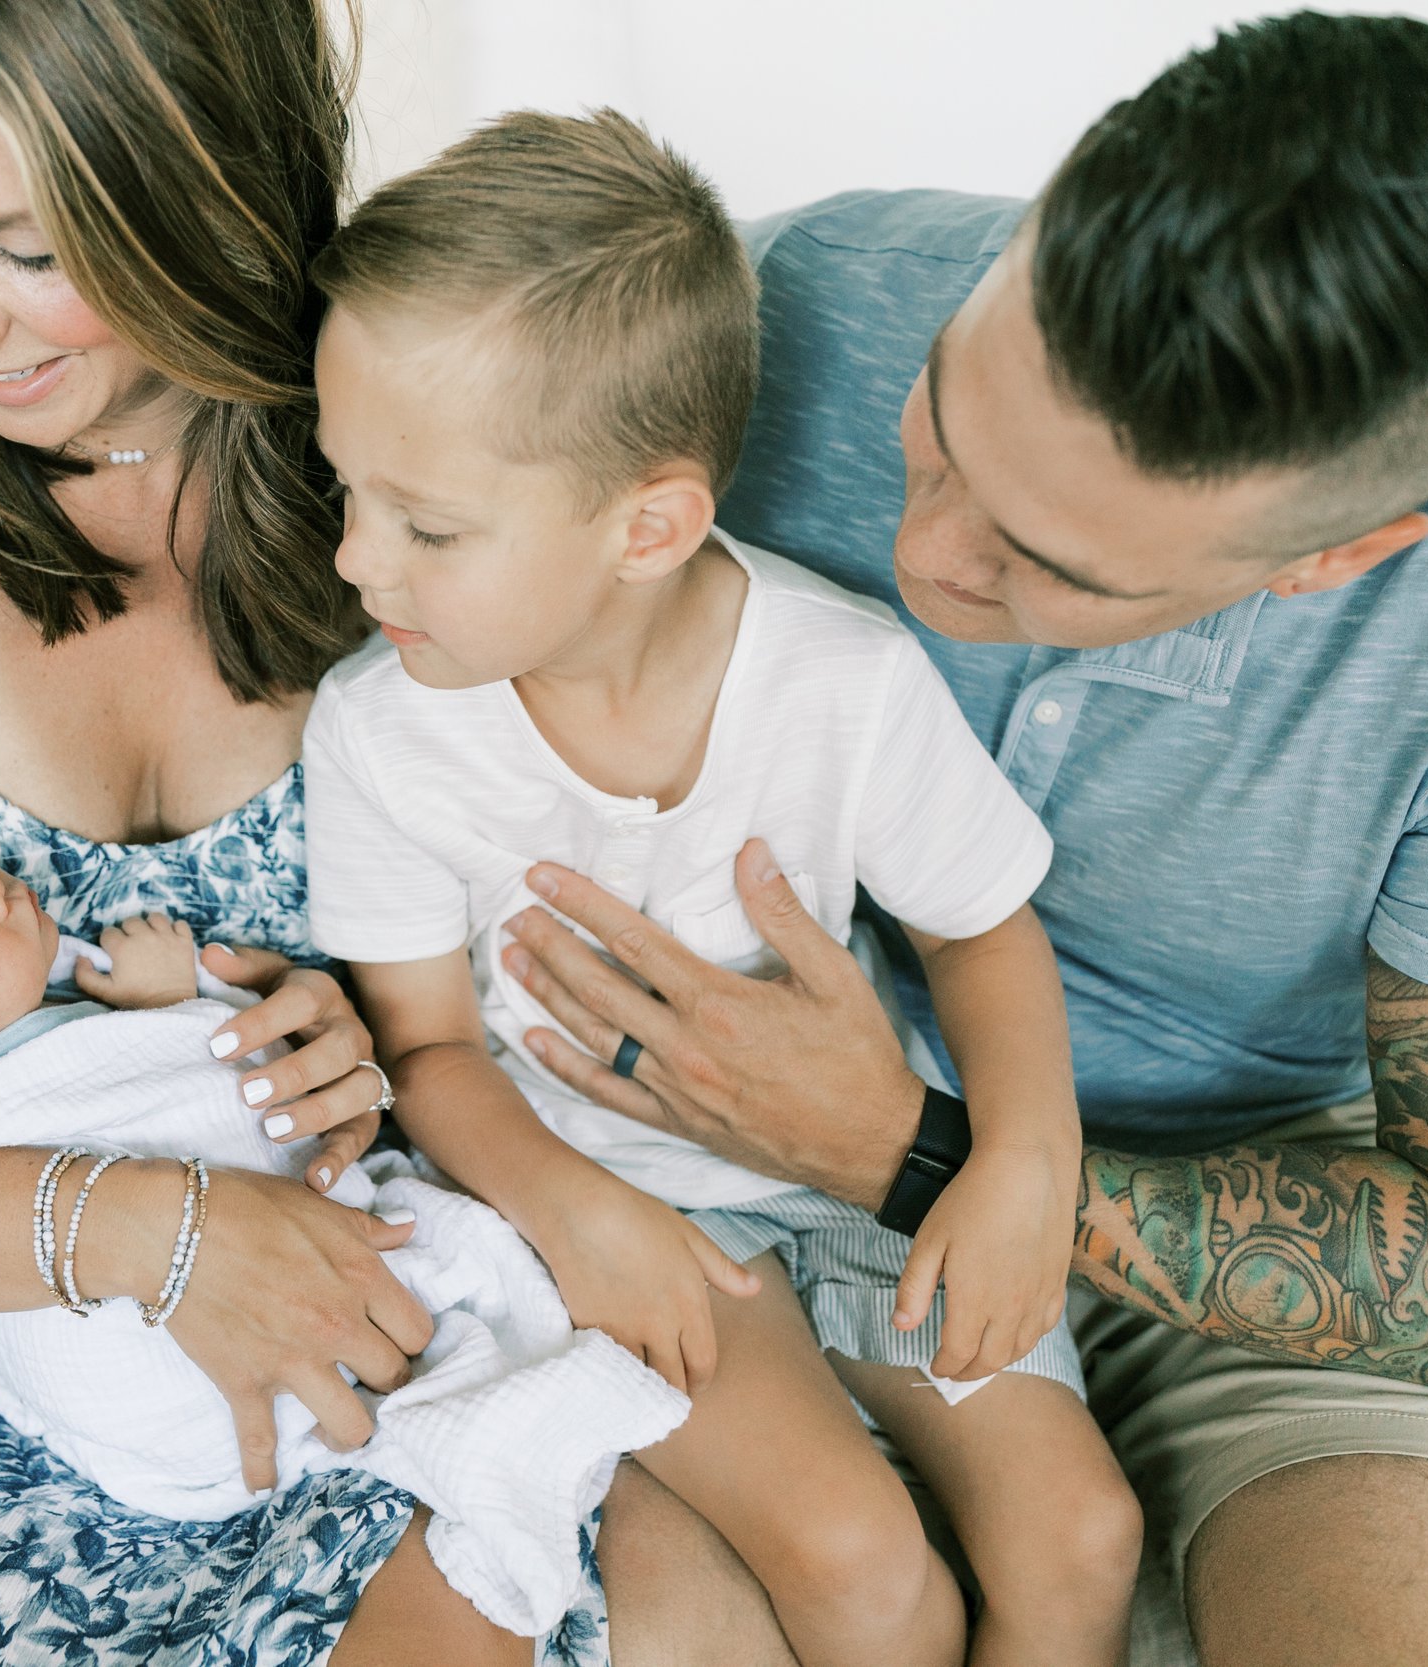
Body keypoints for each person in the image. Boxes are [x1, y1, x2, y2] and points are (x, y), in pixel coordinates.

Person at [492, 15, 1428, 1666]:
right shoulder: (785, 295)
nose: (927, 555)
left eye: (1063, 570)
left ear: (1336, 556)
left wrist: (921, 1148)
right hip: (707, 1152)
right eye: (941, 420)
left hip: (1246, 1203)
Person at [0, 3, 702, 1662]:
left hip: (370, 1272)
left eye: (21, 245)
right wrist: (136, 1231)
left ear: (204, 186)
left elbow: (517, 911)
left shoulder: (409, 460)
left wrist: (343, 1025)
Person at [303, 109, 1139, 1667]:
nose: (358, 560)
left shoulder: (846, 680)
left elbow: (981, 928)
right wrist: (583, 1213)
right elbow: (427, 1056)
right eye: (345, 486)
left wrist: (1026, 1157)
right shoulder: (384, 731)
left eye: (425, 523)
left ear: (651, 525)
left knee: (1082, 1534)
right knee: (868, 1571)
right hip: (615, 1212)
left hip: (855, 1185)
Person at [0, 844, 683, 1641]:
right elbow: (145, 1074)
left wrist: (270, 1013)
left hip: (260, 1346)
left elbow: (191, 1068)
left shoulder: (14, 1001)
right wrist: (180, 1010)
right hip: (122, 1393)